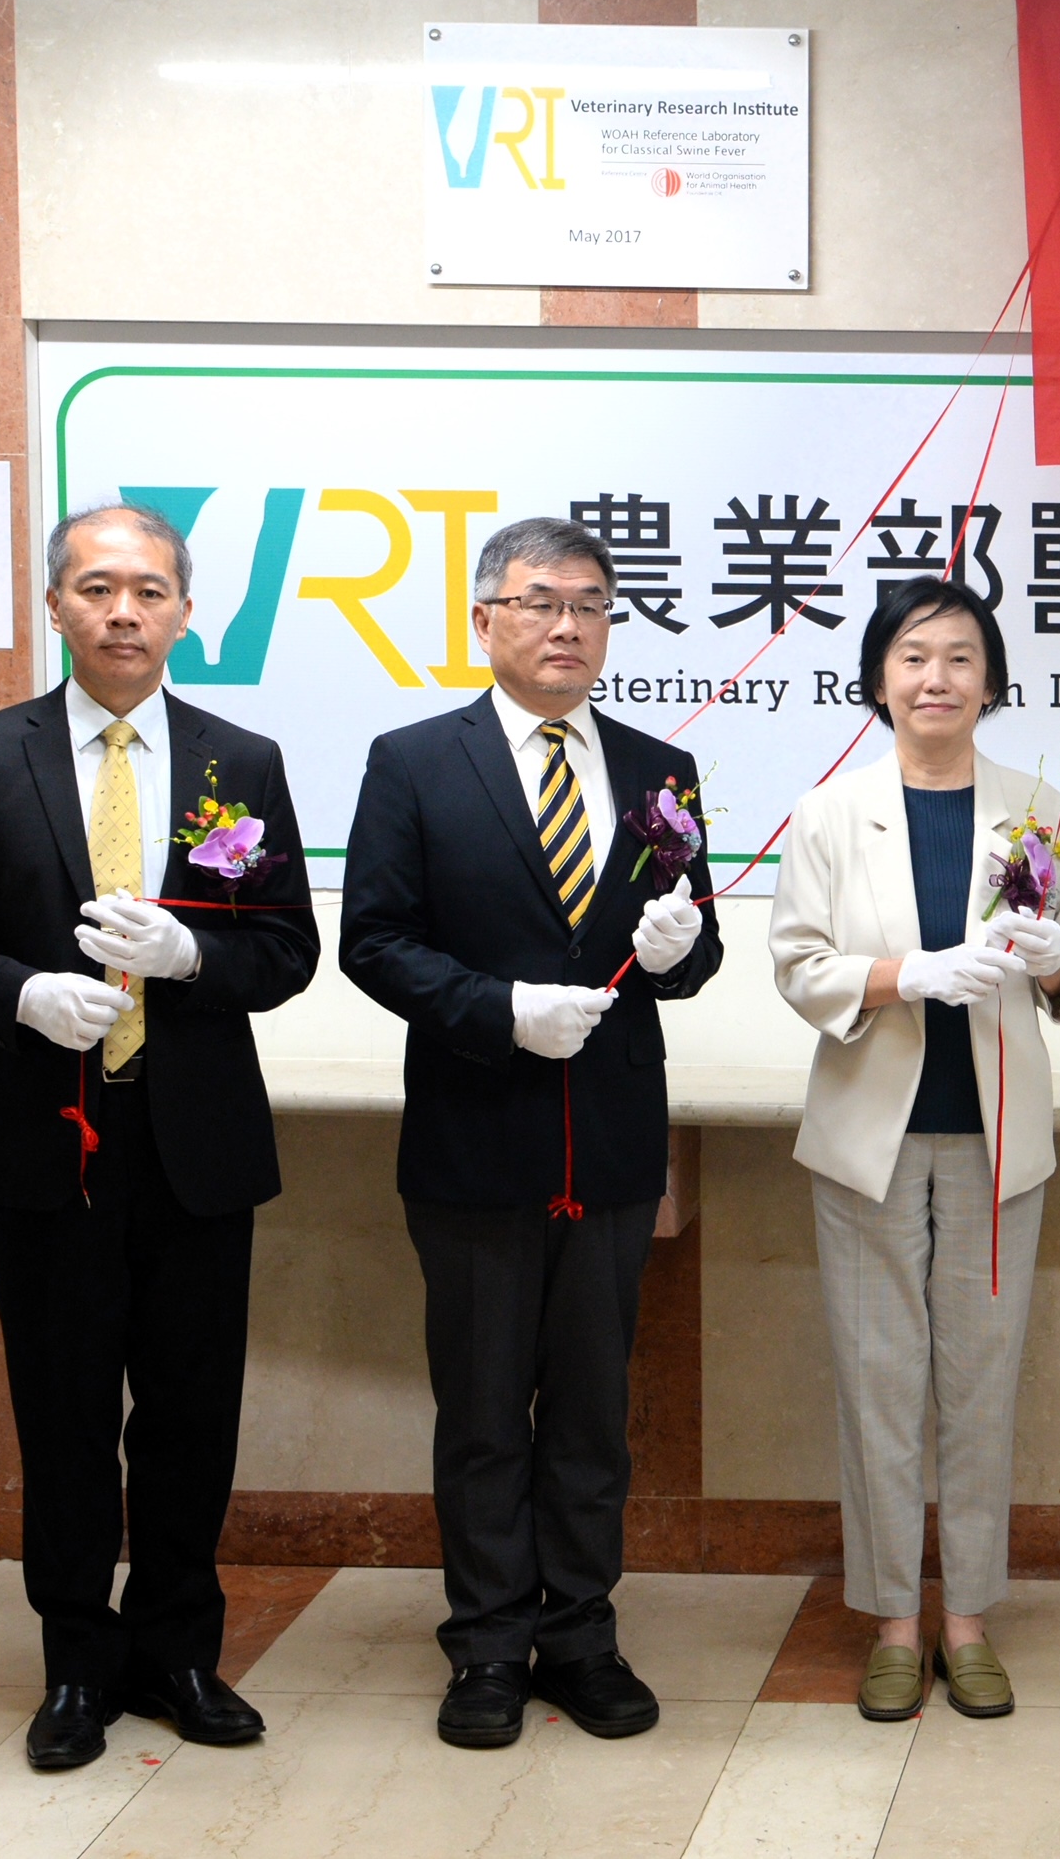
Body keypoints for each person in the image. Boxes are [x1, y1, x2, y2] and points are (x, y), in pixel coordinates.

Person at [0, 504, 318, 1770]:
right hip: (42, 1133)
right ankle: (76, 1662)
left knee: (192, 1409)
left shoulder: (242, 757)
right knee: (65, 1409)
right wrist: (20, 993)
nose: (123, 610)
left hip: (195, 1135)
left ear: (188, 611)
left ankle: (181, 1651)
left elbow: (286, 945)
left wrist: (192, 954)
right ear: (56, 605)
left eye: (148, 588)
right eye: (96, 588)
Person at [340, 516, 721, 1750]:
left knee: (594, 1411)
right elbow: (376, 941)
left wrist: (678, 949)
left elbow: (692, 948)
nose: (568, 626)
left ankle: (583, 1634)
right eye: (540, 601)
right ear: (484, 620)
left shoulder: (663, 767)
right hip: (474, 1138)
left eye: (592, 605)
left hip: (608, 1144)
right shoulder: (414, 760)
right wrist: (497, 1009)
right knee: (485, 1406)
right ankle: (489, 1643)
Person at [769, 574, 1060, 1724]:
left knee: (979, 1383)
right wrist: (906, 974)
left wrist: (1054, 953)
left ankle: (970, 1619)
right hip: (869, 1139)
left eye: (960, 656)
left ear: (991, 681)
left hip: (1000, 1140)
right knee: (878, 1384)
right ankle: (895, 1621)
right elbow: (797, 964)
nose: (936, 677)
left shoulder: (1035, 805)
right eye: (913, 656)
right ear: (878, 678)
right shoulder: (828, 811)